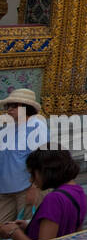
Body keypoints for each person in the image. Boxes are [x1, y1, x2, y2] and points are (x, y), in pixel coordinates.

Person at [0, 149, 86, 240]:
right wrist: (30, 226)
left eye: (33, 174)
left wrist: (14, 232)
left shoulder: (54, 199)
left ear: (46, 171)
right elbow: (70, 229)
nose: (31, 179)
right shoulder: (78, 190)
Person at [0, 89, 48, 222]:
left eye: (14, 105)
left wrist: (35, 189)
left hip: (26, 188)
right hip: (5, 190)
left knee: (26, 227)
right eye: (8, 106)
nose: (9, 109)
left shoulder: (37, 127)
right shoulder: (8, 128)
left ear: (26, 108)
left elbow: (42, 160)